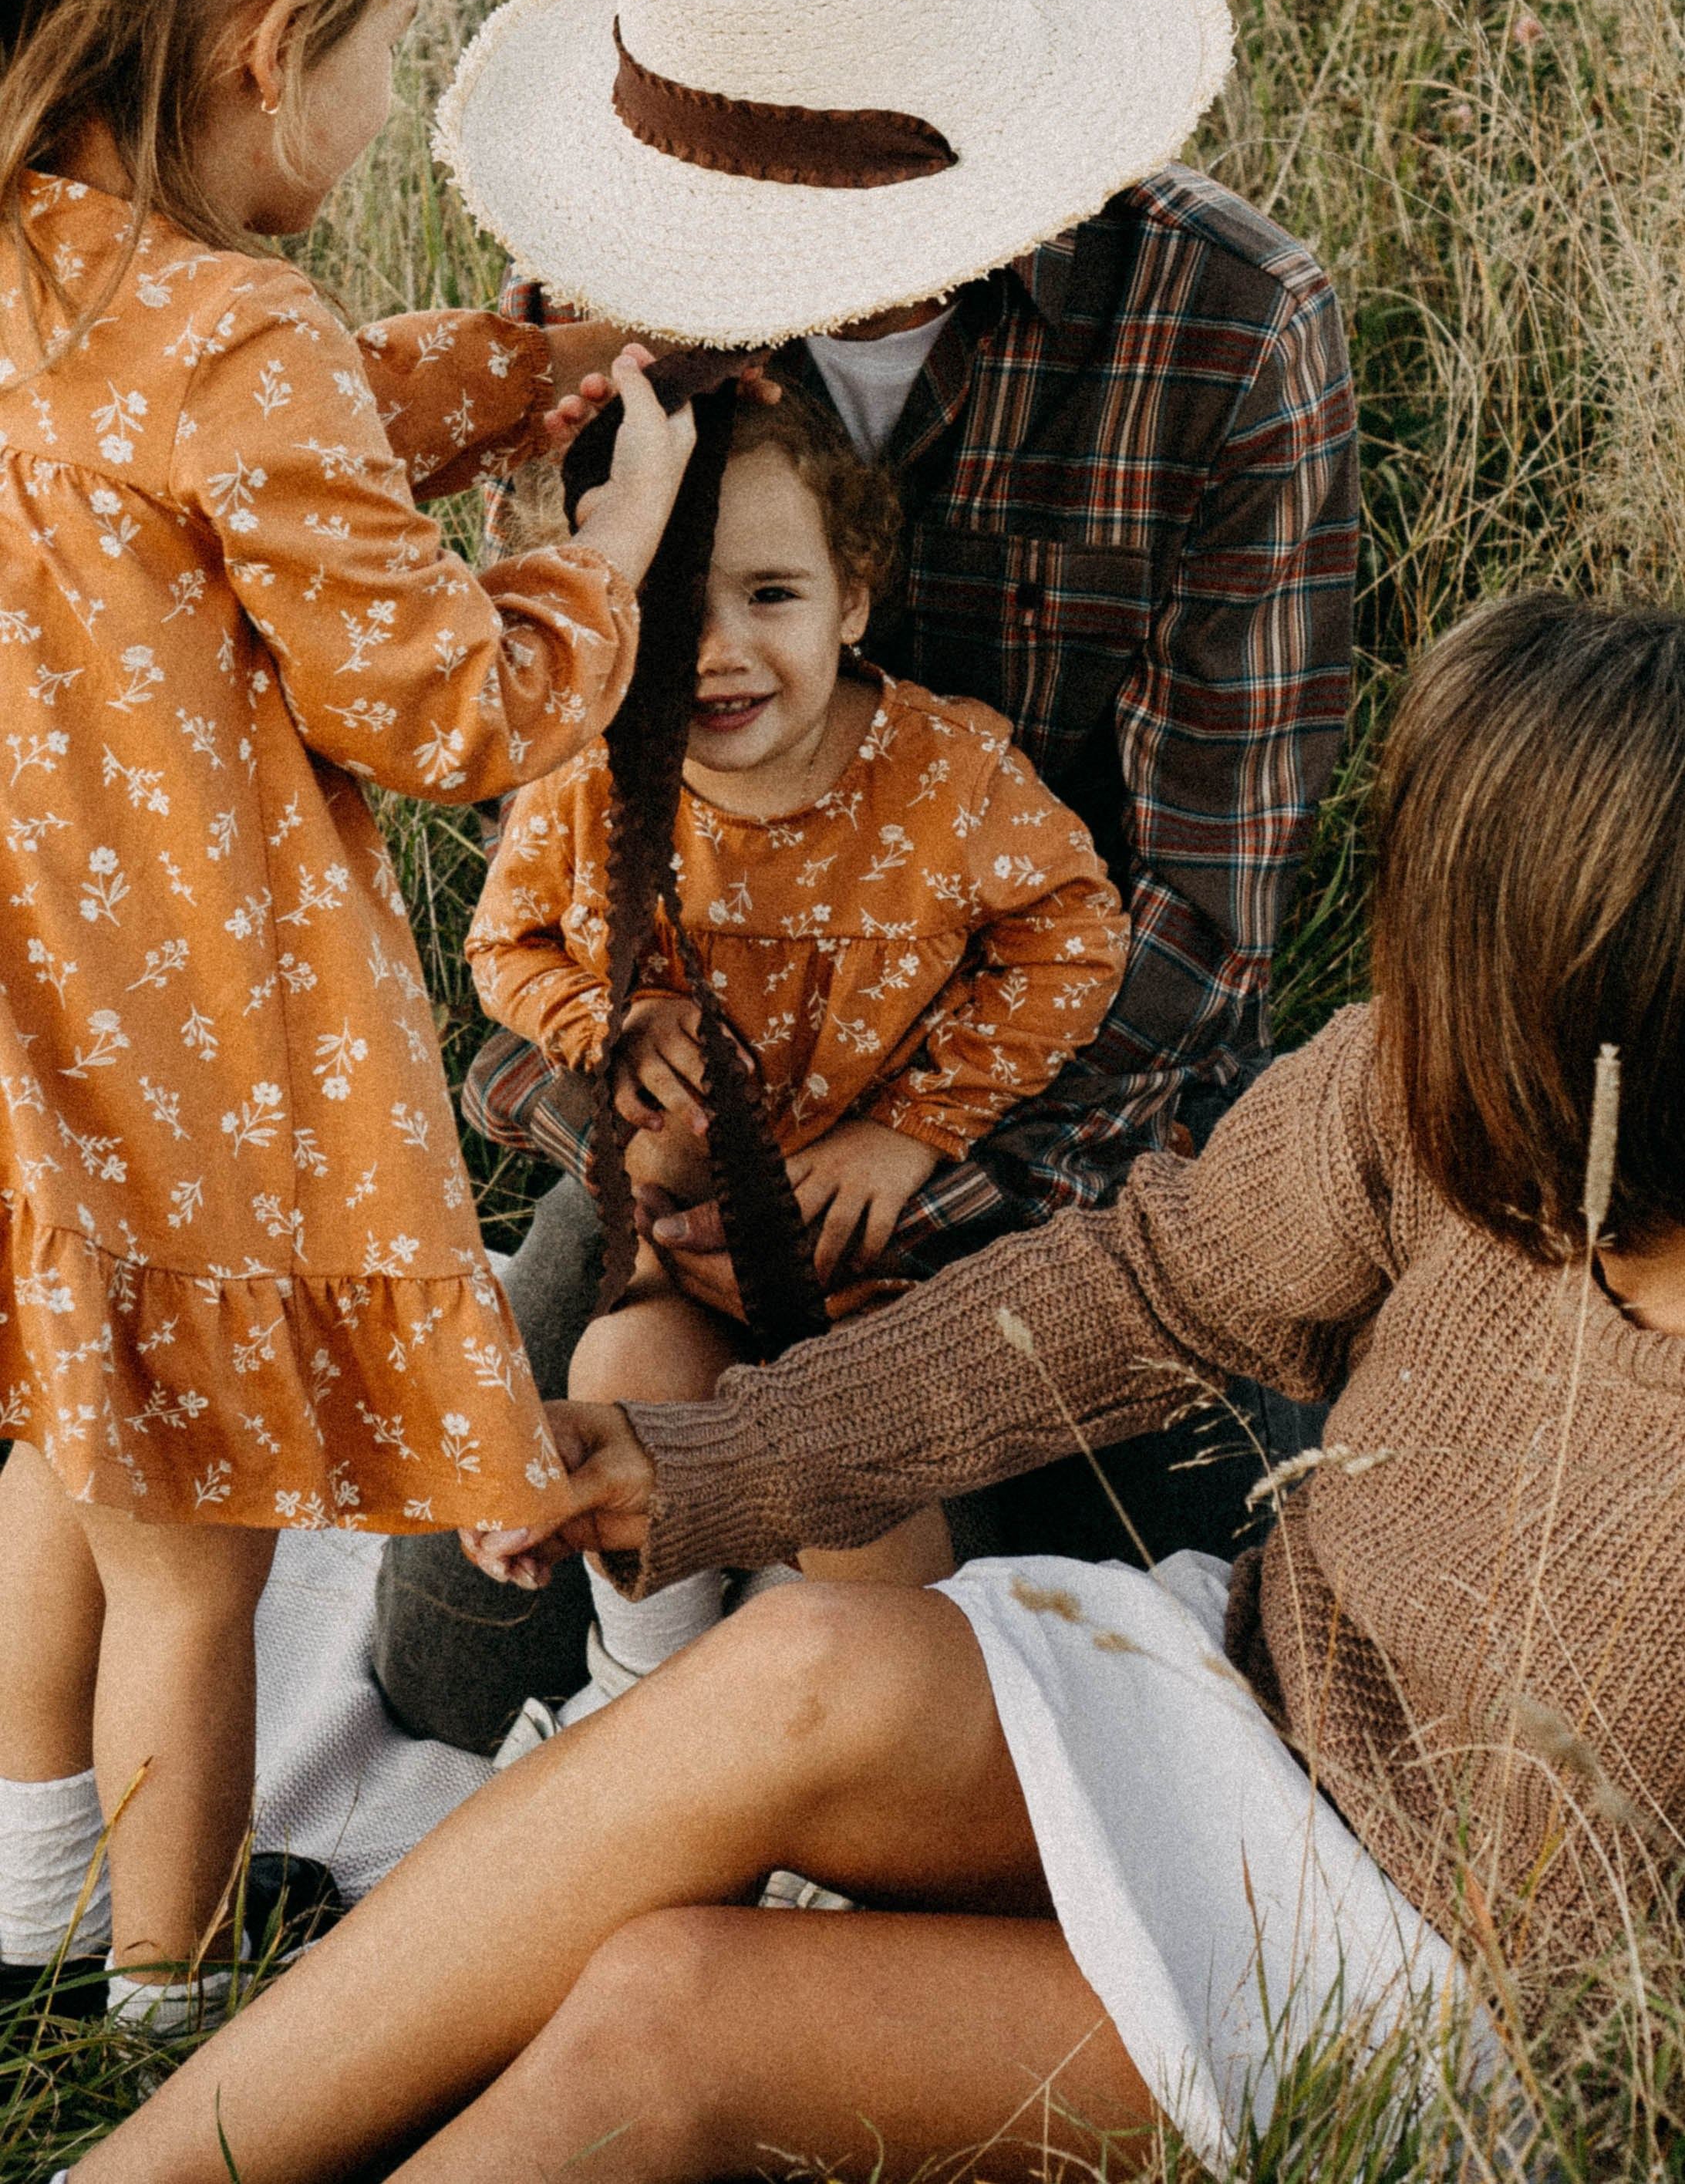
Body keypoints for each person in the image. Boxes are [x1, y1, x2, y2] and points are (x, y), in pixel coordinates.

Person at [70, 585, 1677, 2184]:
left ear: (1580, 987)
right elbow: (1148, 1283)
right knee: (800, 1661)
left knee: (671, 2013)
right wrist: (694, 1461)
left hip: (1436, 1987)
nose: (1414, 993)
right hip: (1260, 1698)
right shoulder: (1433, 1088)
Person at [376, 0, 1360, 1751]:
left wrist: (919, 1176)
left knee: (1161, 1657)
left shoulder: (1229, 330)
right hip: (706, 1111)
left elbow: (1202, 925)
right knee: (451, 1658)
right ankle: (668, 1733)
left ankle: (825, 1758)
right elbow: (554, 839)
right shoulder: (617, 320)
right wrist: (633, 1140)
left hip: (1062, 1127)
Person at [0, 0, 695, 2027]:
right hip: (189, 1069)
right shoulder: (239, 332)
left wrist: (505, 367)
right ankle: (165, 2014)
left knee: (61, 1474)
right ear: (267, 48)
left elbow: (278, 429)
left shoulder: (45, 281)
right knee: (202, 1571)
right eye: (391, 49)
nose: (395, 102)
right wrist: (598, 543)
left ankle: (18, 1912)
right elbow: (450, 707)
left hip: (28, 1048)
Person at [464, 390, 1126, 1712]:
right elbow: (506, 943)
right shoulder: (591, 774)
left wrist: (915, 1130)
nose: (717, 651)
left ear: (853, 601)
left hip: (859, 1265)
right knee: (615, 1379)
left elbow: (1075, 936)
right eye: (669, 607)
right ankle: (645, 1697)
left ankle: (864, 1744)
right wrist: (608, 1022)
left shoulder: (941, 778)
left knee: (844, 1475)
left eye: (773, 596)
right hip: (683, 1237)